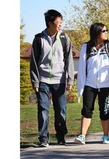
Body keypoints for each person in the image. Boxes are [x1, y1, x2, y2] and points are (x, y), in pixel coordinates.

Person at [30, 9, 74, 147]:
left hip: (59, 80)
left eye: (61, 22)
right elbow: (34, 63)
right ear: (50, 23)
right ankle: (43, 138)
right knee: (43, 109)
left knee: (61, 110)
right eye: (58, 23)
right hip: (42, 80)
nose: (60, 25)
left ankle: (61, 136)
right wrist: (35, 81)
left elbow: (69, 60)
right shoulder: (38, 39)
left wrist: (70, 79)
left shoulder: (64, 38)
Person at [74, 22, 109, 145]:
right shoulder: (86, 47)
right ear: (96, 33)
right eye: (103, 31)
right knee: (86, 109)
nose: (106, 33)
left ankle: (106, 136)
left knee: (105, 111)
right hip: (90, 84)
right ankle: (82, 135)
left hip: (106, 85)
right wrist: (81, 87)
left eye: (106, 30)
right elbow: (82, 68)